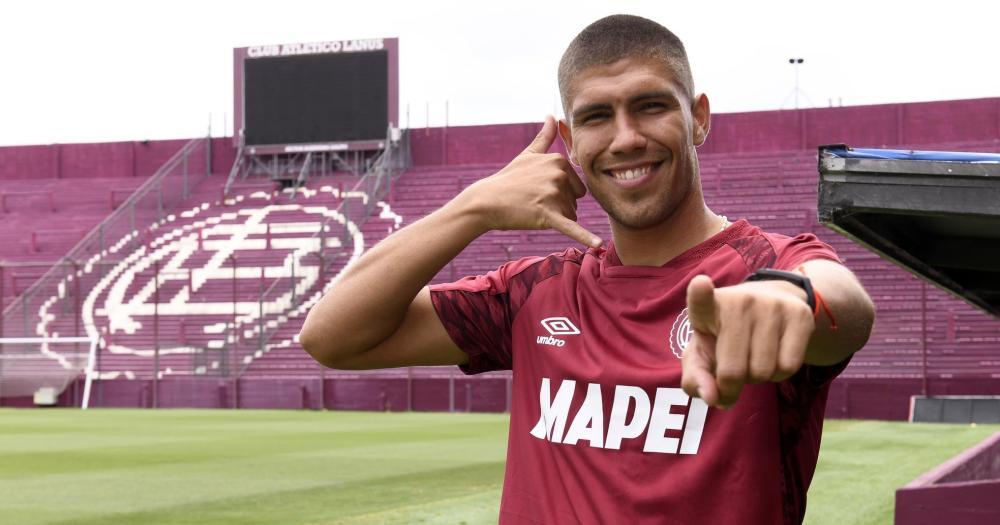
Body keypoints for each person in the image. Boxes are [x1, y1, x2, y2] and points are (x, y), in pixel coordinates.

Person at [300, 14, 874, 525]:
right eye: (598, 116)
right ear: (570, 143)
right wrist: (473, 207)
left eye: (651, 105)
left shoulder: (770, 267)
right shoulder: (533, 294)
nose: (626, 138)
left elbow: (843, 306)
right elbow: (330, 337)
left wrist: (792, 301)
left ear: (698, 117)